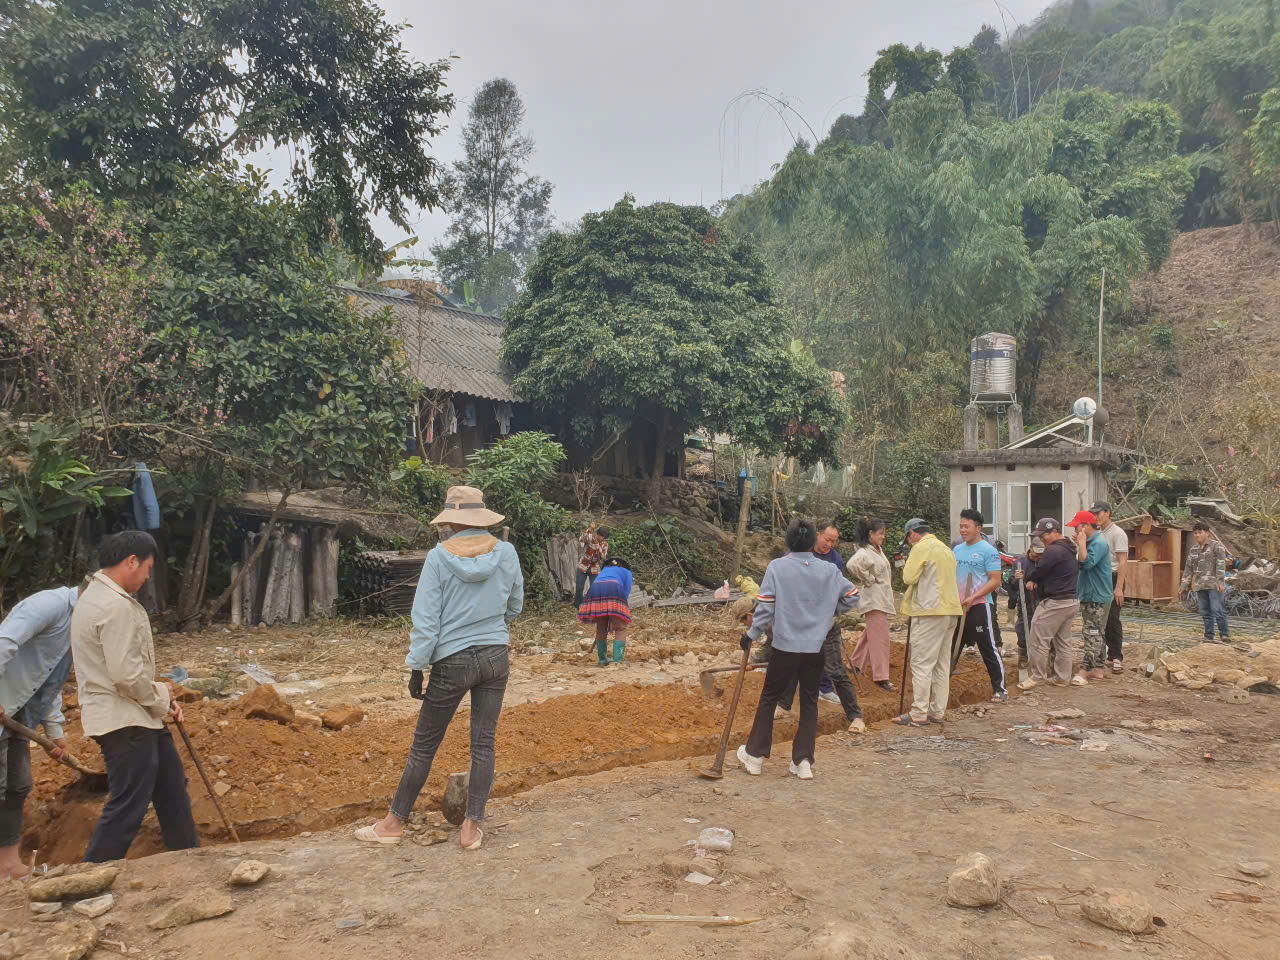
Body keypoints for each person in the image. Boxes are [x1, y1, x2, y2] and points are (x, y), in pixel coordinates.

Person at [357, 486, 523, 850]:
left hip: (452, 660)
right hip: (496, 657)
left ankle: (393, 823)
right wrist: (495, 627)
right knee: (484, 743)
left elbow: (427, 619)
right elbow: (515, 604)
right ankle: (471, 828)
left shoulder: (438, 557)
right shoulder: (506, 552)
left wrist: (417, 666)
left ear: (450, 522)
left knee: (424, 746)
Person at [72, 531, 199, 862]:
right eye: (147, 568)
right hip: (123, 720)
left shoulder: (96, 598)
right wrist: (161, 694)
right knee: (129, 803)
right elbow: (127, 677)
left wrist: (160, 703)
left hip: (139, 716)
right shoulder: (114, 607)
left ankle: (189, 863)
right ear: (131, 561)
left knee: (171, 790)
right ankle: (91, 876)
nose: (147, 577)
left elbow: (127, 671)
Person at [736, 518, 859, 780]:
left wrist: (751, 635)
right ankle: (803, 762)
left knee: (770, 698)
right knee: (810, 701)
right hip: (815, 648)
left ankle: (755, 757)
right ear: (814, 540)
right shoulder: (828, 570)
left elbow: (766, 608)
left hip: (784, 647)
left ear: (788, 541)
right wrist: (829, 614)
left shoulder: (777, 567)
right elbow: (852, 596)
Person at [0, 582, 84, 878]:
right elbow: (4, 641)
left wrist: (55, 732)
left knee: (17, 786)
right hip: (3, 704)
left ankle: (8, 865)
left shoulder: (78, 628)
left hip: (19, 716)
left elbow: (49, 681)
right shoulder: (49, 606)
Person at [775, 522, 863, 731]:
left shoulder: (835, 560)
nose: (830, 544)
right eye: (827, 539)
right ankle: (783, 705)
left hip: (827, 626)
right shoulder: (798, 555)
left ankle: (855, 716)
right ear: (817, 536)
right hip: (803, 624)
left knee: (836, 670)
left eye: (834, 541)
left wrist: (833, 613)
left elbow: (846, 592)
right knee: (794, 664)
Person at [893, 518, 961, 727]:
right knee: (941, 664)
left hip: (929, 612)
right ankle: (937, 711)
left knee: (922, 663)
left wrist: (904, 561)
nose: (909, 542)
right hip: (950, 611)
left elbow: (908, 577)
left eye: (909, 538)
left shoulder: (921, 547)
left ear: (912, 533)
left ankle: (919, 712)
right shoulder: (945, 549)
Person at [1017, 518, 1080, 690]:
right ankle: (1062, 677)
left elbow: (1040, 571)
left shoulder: (1053, 550)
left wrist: (1030, 579)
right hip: (1071, 600)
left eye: (1043, 535)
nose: (1042, 539)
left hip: (1056, 602)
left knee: (1038, 638)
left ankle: (1037, 677)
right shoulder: (1069, 546)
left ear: (1054, 532)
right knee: (1062, 641)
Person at [953, 508, 1008, 704]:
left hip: (979, 606)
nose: (962, 530)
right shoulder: (957, 549)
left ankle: (999, 689)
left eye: (966, 526)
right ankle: (942, 687)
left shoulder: (989, 551)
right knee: (952, 648)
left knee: (987, 648)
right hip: (958, 608)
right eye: (961, 526)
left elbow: (995, 581)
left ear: (978, 528)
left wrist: (974, 596)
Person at [846, 517, 896, 691]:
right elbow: (851, 564)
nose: (883, 536)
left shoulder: (877, 549)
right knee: (880, 639)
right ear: (870, 534)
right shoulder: (865, 552)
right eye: (880, 533)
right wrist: (867, 578)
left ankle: (856, 664)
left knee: (871, 634)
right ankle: (881, 677)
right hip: (874, 600)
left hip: (880, 599)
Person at [1070, 510, 1112, 684]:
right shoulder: (1091, 541)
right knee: (1098, 633)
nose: (1074, 531)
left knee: (1091, 632)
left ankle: (1085, 670)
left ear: (1086, 526)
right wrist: (1081, 544)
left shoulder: (1098, 542)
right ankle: (1099, 668)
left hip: (1097, 596)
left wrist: (1081, 544)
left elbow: (1086, 563)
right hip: (1090, 594)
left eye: (1077, 527)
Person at [1091, 502, 1128, 674]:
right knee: (1100, 618)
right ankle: (1104, 654)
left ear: (1108, 513)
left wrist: (1119, 587)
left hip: (1113, 578)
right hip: (1100, 578)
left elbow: (1122, 561)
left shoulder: (1117, 533)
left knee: (1113, 617)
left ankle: (1116, 656)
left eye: (1099, 513)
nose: (1096, 516)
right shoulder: (1098, 533)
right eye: (1094, 513)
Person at [1180, 520, 1229, 643]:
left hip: (1214, 585)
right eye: (1195, 533)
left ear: (1207, 533)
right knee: (1205, 611)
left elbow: (1221, 565)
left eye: (1199, 532)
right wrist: (1183, 585)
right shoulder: (1194, 550)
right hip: (1200, 585)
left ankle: (1224, 634)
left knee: (1217, 609)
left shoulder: (1216, 546)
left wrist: (1220, 582)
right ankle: (1208, 635)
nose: (1197, 535)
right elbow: (1188, 569)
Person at [578, 559, 633, 666]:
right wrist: (617, 614)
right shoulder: (626, 572)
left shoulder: (604, 571)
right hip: (615, 588)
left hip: (596, 590)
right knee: (620, 628)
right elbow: (625, 592)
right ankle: (617, 661)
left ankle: (602, 660)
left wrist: (610, 616)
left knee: (601, 628)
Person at [1005, 536, 1044, 669]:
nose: (1038, 555)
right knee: (1022, 630)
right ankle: (1023, 657)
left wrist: (1037, 583)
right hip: (1025, 602)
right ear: (1030, 549)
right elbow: (1011, 584)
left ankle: (1044, 662)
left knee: (1043, 633)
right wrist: (1017, 579)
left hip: (1042, 602)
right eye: (1036, 552)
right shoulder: (1020, 562)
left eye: (1041, 552)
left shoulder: (1045, 561)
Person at [575, 524, 610, 606]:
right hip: (583, 565)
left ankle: (589, 603)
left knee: (595, 588)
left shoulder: (605, 544)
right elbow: (581, 539)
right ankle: (578, 604)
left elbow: (603, 557)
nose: (602, 538)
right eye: (601, 536)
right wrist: (590, 529)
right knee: (579, 587)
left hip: (595, 567)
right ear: (598, 534)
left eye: (604, 537)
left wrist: (599, 548)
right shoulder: (591, 538)